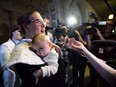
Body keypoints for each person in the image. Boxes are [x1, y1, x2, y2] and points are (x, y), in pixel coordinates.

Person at [5, 11, 66, 87]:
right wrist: (60, 63)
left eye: (43, 22)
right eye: (38, 21)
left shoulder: (47, 43)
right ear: (26, 26)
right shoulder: (20, 51)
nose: (44, 25)